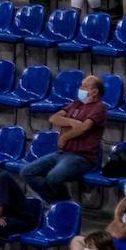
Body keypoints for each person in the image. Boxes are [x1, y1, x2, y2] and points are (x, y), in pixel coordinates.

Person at [23, 74, 107, 203]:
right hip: (62, 153)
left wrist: (64, 137)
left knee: (53, 177)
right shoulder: (77, 103)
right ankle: (55, 203)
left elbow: (84, 127)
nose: (80, 88)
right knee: (27, 172)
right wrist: (71, 122)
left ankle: (66, 203)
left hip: (82, 157)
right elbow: (53, 118)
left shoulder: (99, 107)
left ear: (94, 91)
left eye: (84, 86)